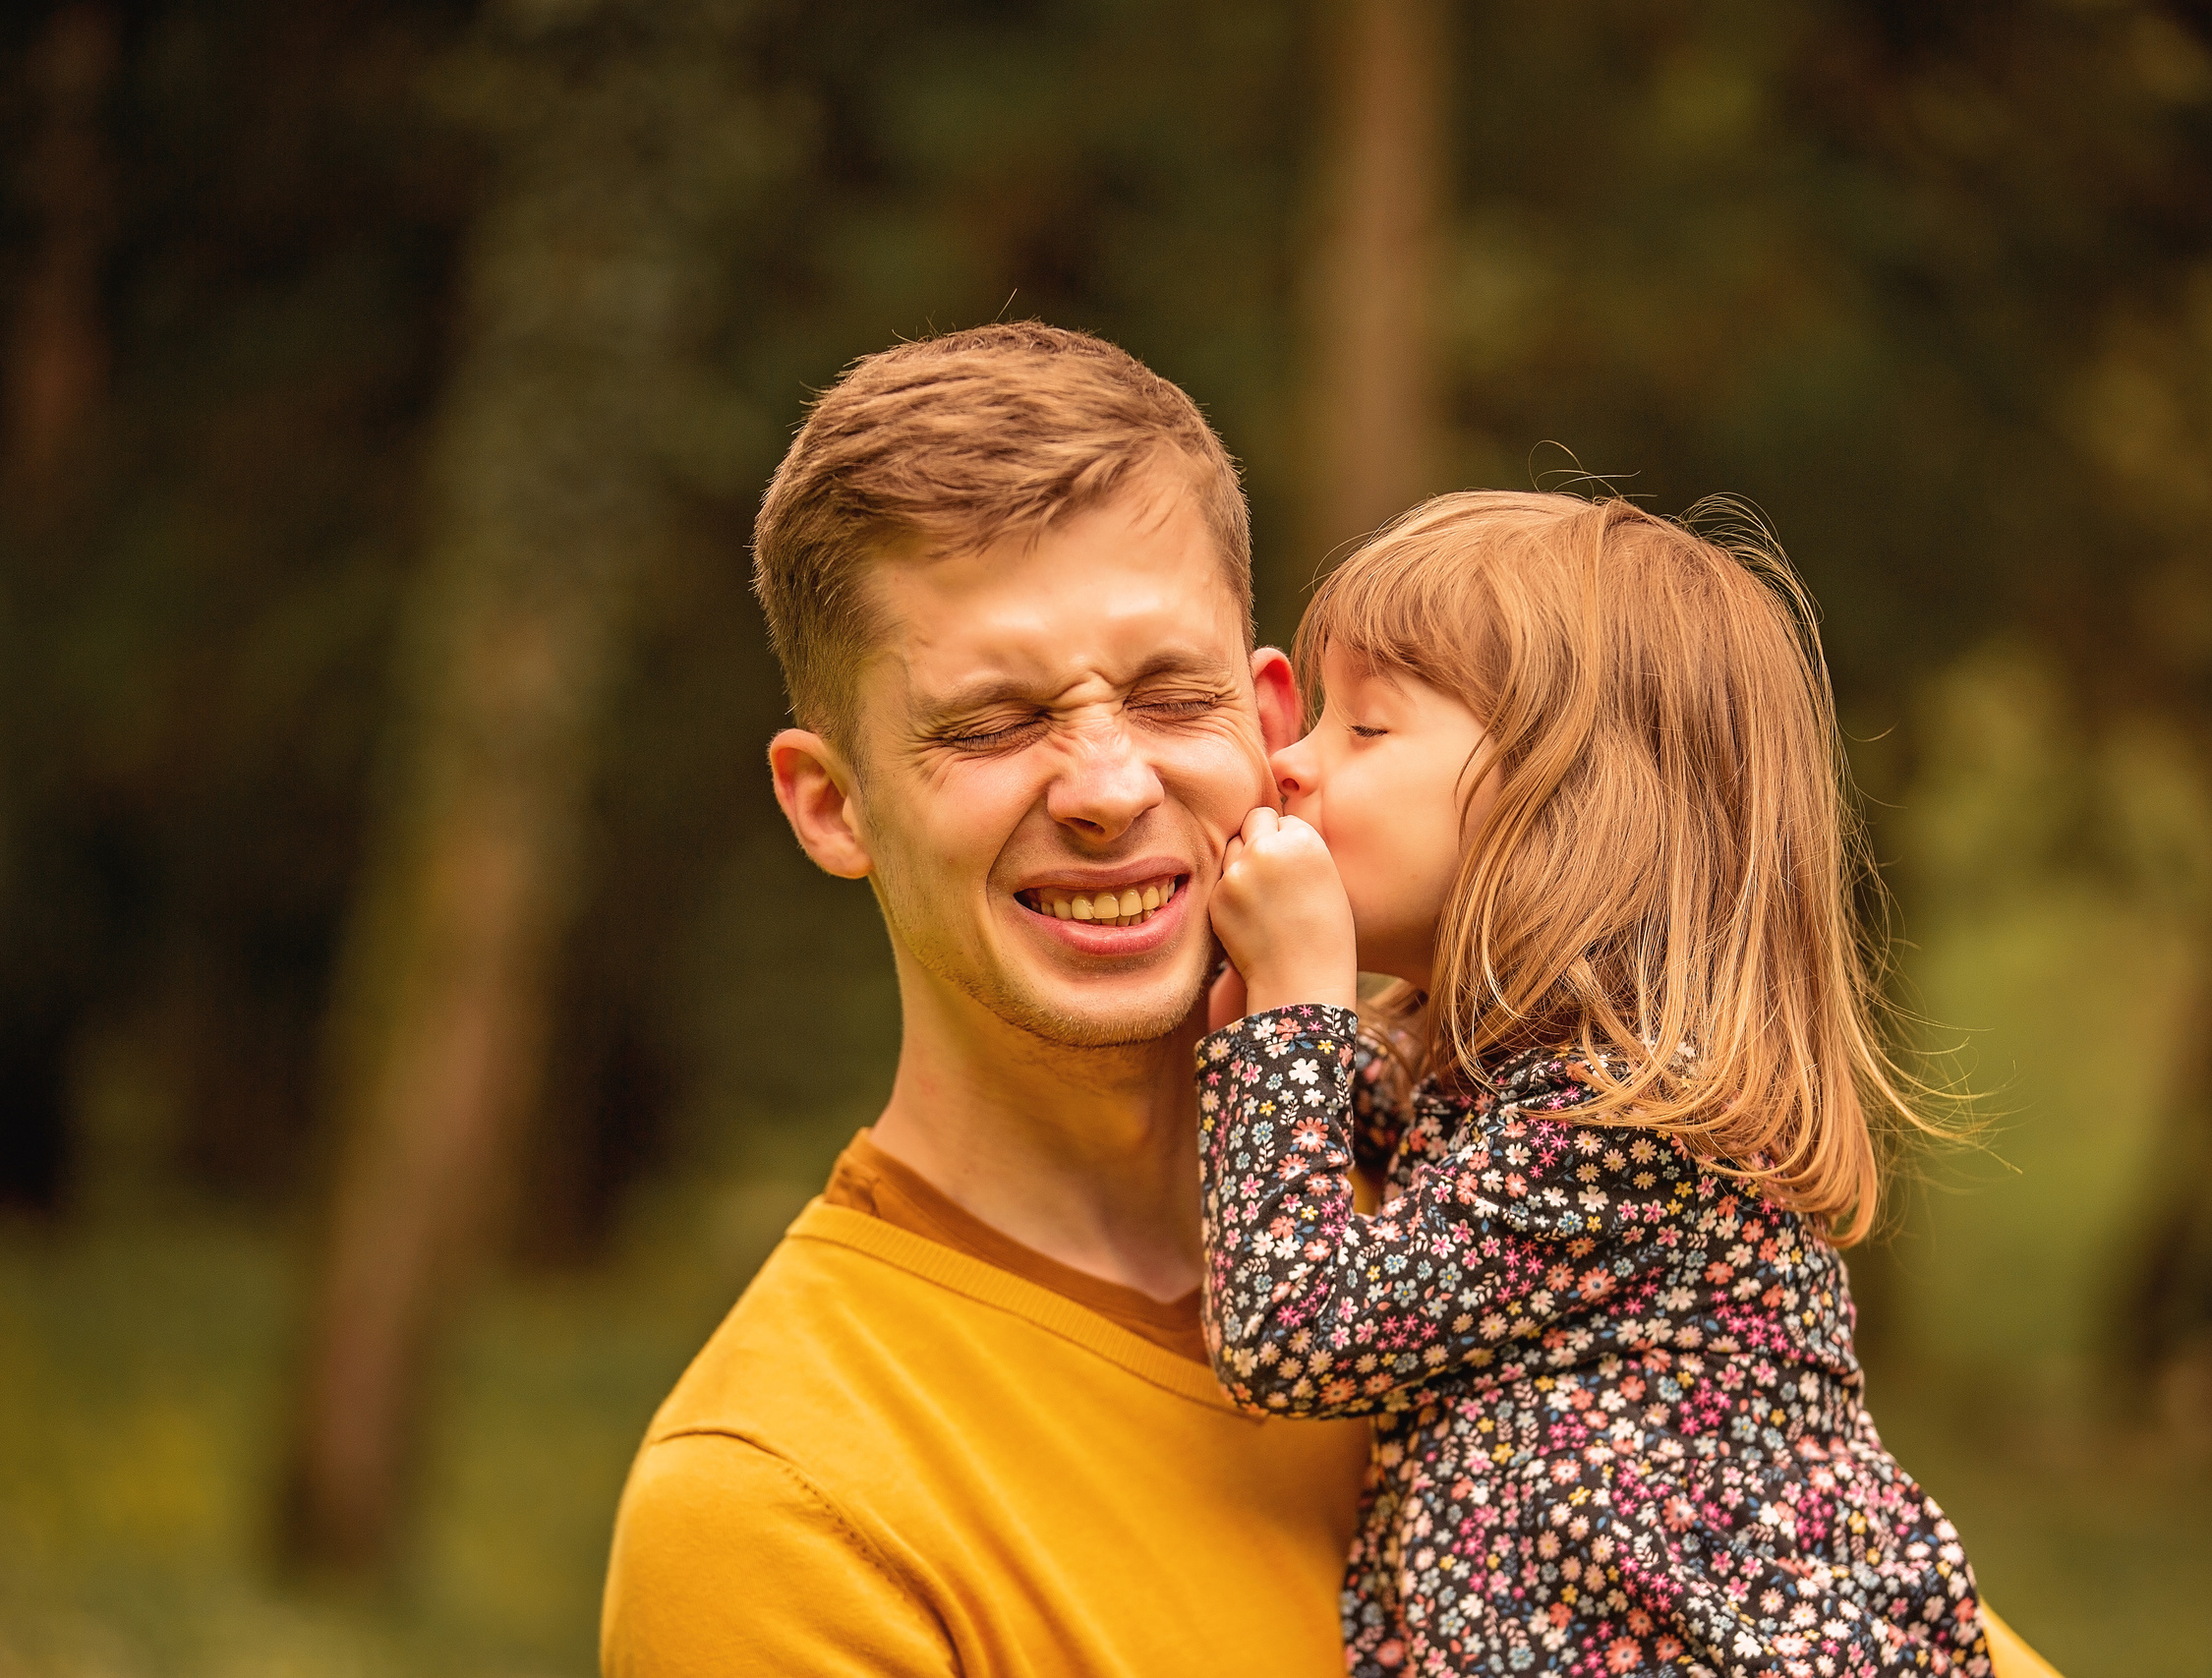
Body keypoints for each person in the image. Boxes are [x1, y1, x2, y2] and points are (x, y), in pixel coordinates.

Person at [598, 322, 1370, 1674]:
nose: (1108, 787)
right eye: (993, 723)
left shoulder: (1508, 1219)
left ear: (1265, 719)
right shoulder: (780, 1502)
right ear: (830, 803)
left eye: (1166, 694)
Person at [1194, 492, 2052, 1676]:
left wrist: (1295, 1006)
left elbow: (1291, 1332)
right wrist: (1272, 1029)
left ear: (1566, 813)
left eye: (1367, 729)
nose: (1288, 764)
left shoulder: (1626, 1123)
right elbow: (1332, 1143)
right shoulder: (1496, 1077)